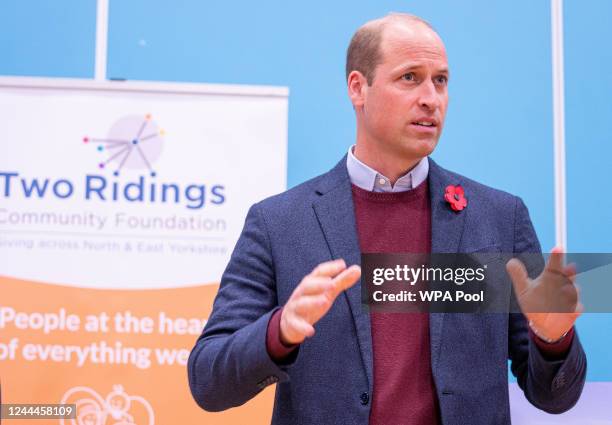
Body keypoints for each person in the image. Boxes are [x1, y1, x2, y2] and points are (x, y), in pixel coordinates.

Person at [188, 13, 586, 425]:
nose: (431, 98)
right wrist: (280, 331)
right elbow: (208, 380)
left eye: (441, 80)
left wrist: (552, 338)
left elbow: (555, 398)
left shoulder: (499, 219)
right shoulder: (279, 223)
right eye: (410, 78)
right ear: (358, 88)